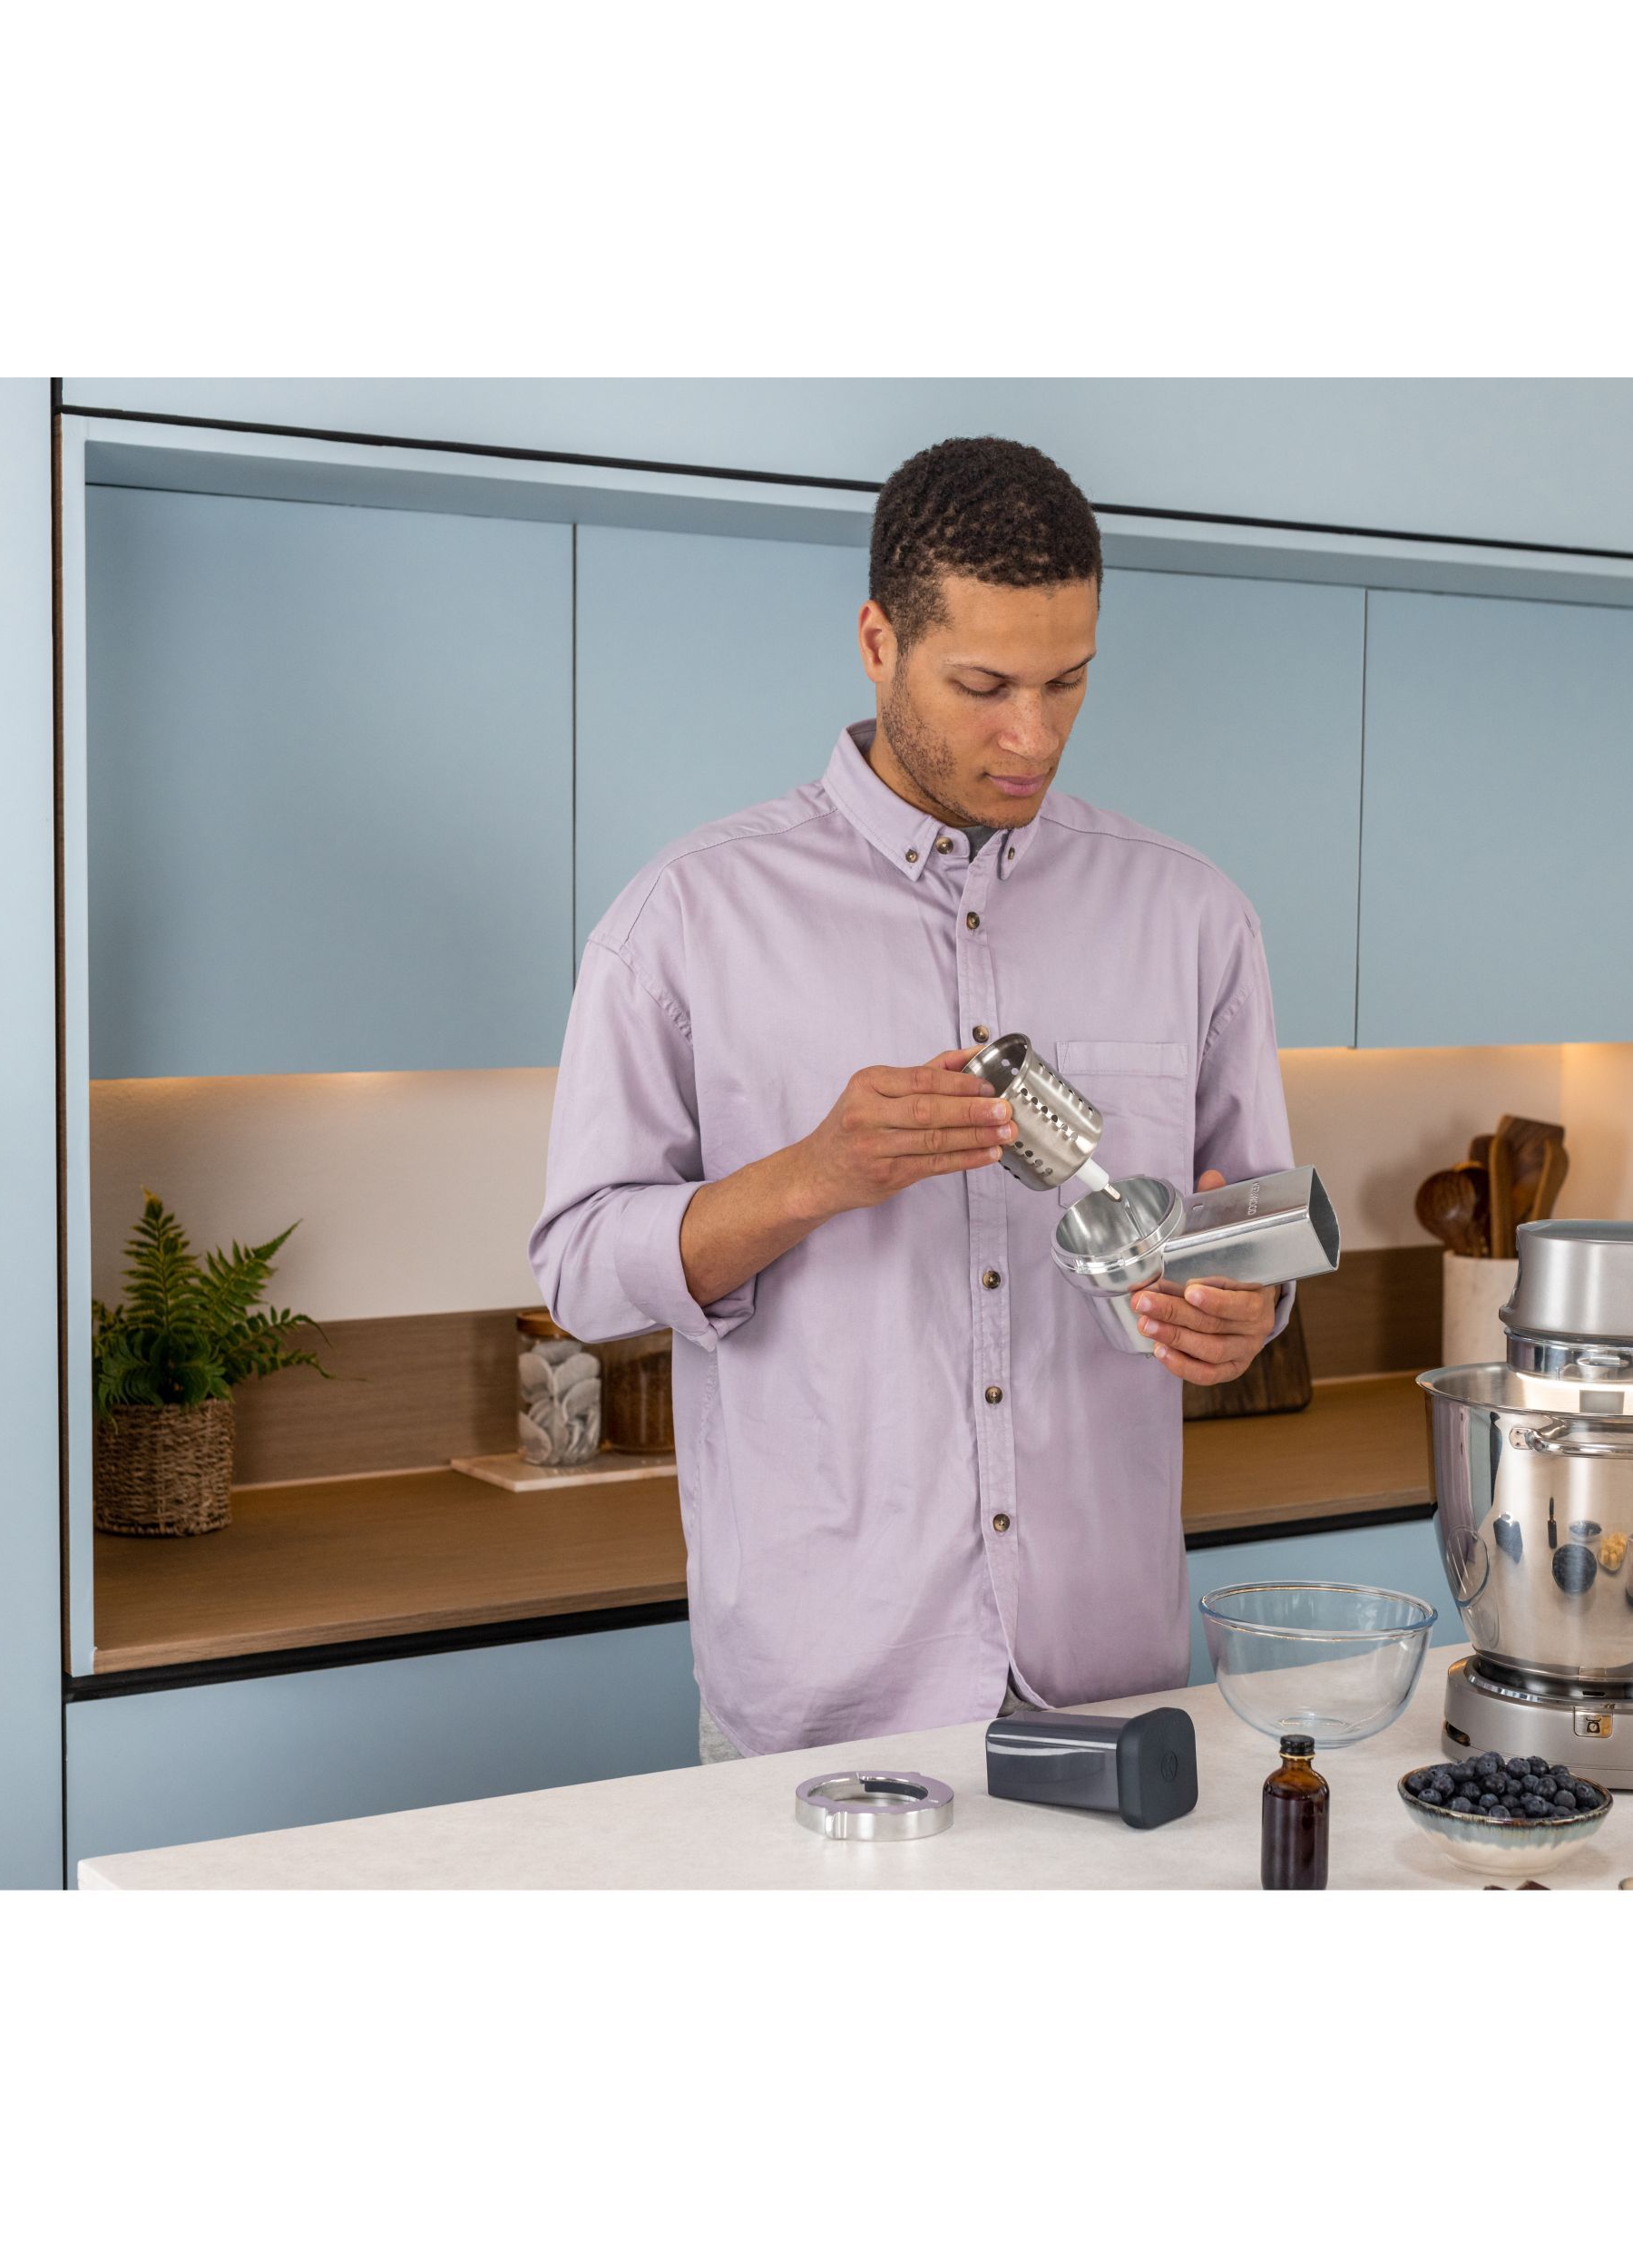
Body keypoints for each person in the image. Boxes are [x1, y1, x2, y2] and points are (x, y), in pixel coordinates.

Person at [531, 435, 1293, 1760]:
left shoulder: (1191, 915)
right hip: (824, 1705)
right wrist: (813, 1176)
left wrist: (1246, 1311)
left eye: (1067, 681)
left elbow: (1254, 1233)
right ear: (879, 643)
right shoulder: (687, 920)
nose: (1032, 735)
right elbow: (583, 1275)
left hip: (1109, 1686)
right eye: (984, 685)